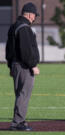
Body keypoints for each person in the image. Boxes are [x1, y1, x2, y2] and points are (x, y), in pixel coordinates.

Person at [5, 2, 40, 131]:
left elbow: (9, 49)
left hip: (15, 65)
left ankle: (20, 120)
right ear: (30, 15)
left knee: (20, 94)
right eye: (34, 15)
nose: (35, 18)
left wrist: (10, 66)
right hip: (24, 66)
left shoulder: (14, 26)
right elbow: (26, 51)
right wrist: (33, 65)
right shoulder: (24, 27)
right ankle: (17, 123)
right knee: (23, 94)